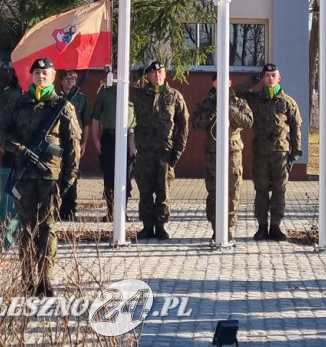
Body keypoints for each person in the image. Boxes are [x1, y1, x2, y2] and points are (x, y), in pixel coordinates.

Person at [0, 57, 81, 297]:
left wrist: (68, 180)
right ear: (31, 76)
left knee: (47, 228)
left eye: (45, 73)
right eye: (37, 73)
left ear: (53, 77)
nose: (41, 76)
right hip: (24, 177)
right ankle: (28, 278)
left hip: (50, 177)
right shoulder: (18, 104)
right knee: (26, 228)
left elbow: (73, 146)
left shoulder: (62, 107)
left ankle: (45, 279)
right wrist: (19, 149)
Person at [237, 62, 302, 241]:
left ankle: (275, 226)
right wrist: (250, 81)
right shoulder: (255, 98)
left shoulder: (288, 102)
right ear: (263, 78)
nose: (270, 78)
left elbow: (296, 127)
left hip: (280, 153)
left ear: (279, 78)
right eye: (266, 76)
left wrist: (295, 152)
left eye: (273, 76)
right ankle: (262, 227)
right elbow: (233, 94)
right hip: (260, 153)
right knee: (261, 190)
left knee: (279, 190)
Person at [130, 60, 189, 240]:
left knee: (163, 190)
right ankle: (147, 226)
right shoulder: (141, 94)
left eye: (161, 72)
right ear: (148, 76)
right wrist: (137, 75)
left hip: (165, 151)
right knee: (145, 190)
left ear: (165, 74)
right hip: (144, 151)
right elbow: (125, 88)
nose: (158, 75)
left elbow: (184, 124)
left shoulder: (174, 96)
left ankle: (161, 226)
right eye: (154, 73)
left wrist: (178, 150)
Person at [192, 74, 253, 240]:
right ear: (213, 83)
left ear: (230, 83)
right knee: (214, 192)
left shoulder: (238, 102)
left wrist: (231, 109)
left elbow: (248, 122)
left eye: (225, 81)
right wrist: (211, 113)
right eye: (218, 81)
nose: (222, 84)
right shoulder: (206, 103)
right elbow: (195, 123)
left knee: (232, 191)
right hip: (213, 154)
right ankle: (216, 228)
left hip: (233, 154)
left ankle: (229, 229)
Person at [91, 81, 136, 222]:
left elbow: (138, 120)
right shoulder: (104, 94)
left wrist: (134, 143)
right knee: (109, 176)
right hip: (109, 137)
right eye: (115, 72)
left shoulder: (134, 93)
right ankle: (110, 212)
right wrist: (95, 139)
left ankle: (122, 212)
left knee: (126, 178)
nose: (118, 75)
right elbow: (95, 117)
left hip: (128, 138)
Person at [57, 70, 91, 220]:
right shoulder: (56, 98)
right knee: (58, 174)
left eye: (73, 79)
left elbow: (86, 122)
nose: (70, 81)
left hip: (75, 142)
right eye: (67, 78)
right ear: (61, 81)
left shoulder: (81, 98)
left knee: (72, 174)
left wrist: (84, 143)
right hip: (58, 141)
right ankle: (58, 208)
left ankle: (70, 209)